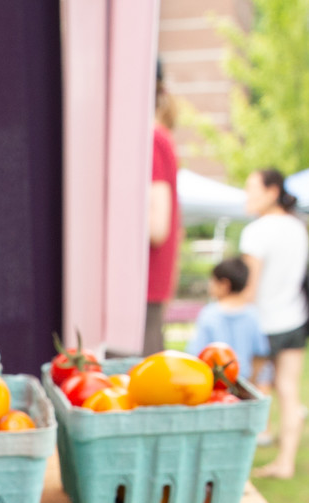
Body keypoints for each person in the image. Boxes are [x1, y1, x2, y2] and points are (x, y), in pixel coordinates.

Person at [241, 167, 309, 480]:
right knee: (289, 391)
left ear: (272, 191)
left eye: (252, 188)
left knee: (247, 390)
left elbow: (250, 289)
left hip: (261, 323)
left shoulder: (256, 231)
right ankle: (286, 463)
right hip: (293, 319)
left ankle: (238, 461)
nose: (247, 196)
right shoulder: (298, 227)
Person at [142, 78, 181, 356]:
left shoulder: (152, 139)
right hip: (149, 287)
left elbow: (157, 226)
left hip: (142, 287)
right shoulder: (162, 138)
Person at [186, 256, 268, 371]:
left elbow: (195, 353)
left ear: (224, 284)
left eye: (213, 281)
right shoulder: (252, 314)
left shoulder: (209, 314)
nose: (210, 285)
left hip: (216, 382)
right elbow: (260, 353)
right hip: (243, 384)